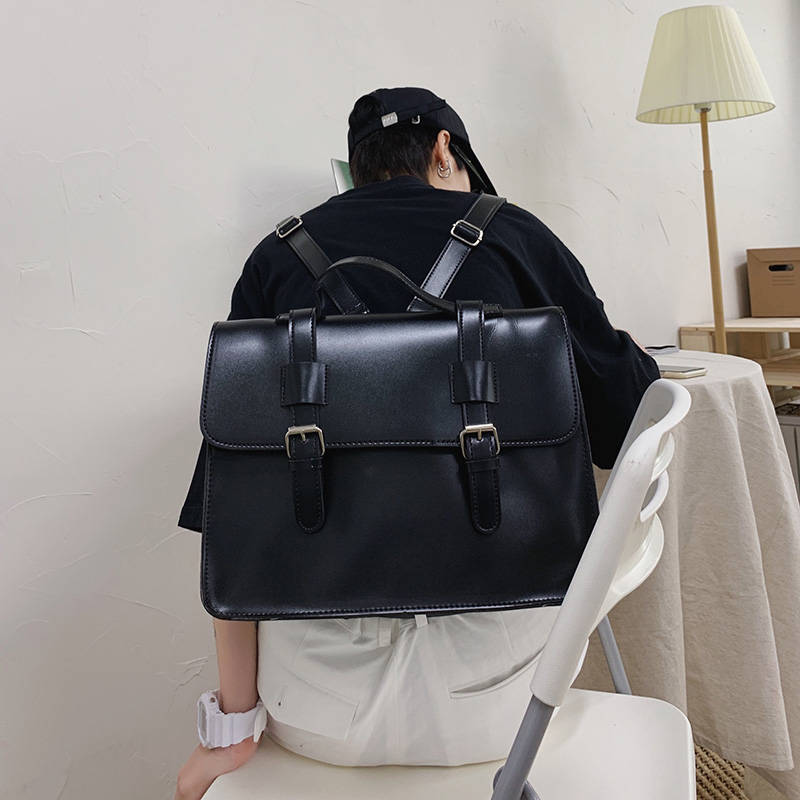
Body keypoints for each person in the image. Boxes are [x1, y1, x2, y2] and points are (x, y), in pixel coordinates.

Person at [173, 87, 660, 799]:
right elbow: (628, 423)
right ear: (443, 150)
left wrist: (230, 729)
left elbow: (233, 523)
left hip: (316, 703)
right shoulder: (516, 234)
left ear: (356, 168)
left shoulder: (274, 260)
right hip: (510, 702)